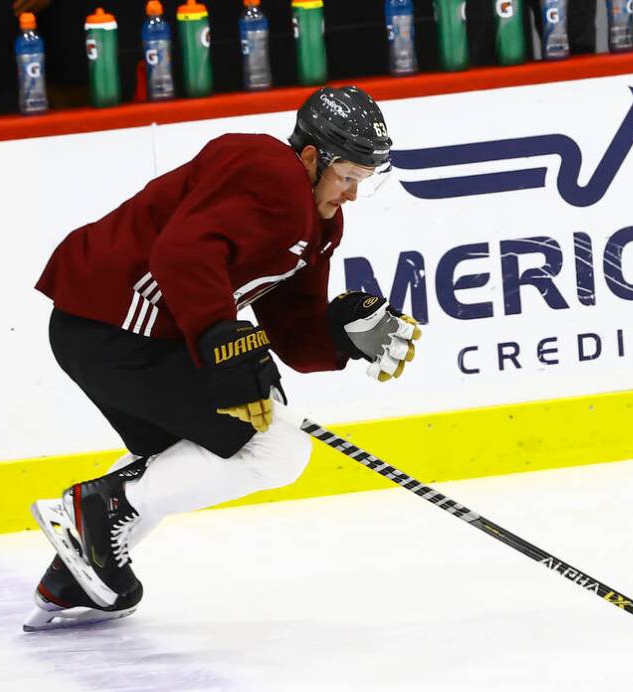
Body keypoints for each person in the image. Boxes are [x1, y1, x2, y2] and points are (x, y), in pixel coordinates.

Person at [26, 85, 421, 632]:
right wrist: (221, 340)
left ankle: (76, 571)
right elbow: (181, 252)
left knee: (209, 444)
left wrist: (343, 333)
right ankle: (96, 511)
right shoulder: (266, 168)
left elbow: (294, 334)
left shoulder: (318, 224)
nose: (353, 194)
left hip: (129, 333)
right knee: (276, 446)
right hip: (112, 325)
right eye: (348, 176)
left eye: (363, 181)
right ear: (311, 157)